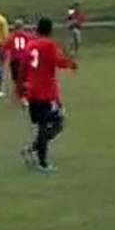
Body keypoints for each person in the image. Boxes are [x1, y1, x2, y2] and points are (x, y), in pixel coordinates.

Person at [19, 18, 77, 173]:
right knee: (54, 123)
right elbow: (58, 61)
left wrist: (22, 93)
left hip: (32, 92)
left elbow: (23, 69)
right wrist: (71, 63)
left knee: (46, 124)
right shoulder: (49, 45)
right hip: (44, 93)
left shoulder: (30, 45)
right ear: (50, 30)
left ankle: (33, 149)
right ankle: (41, 161)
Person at [2, 19, 33, 103]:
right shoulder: (28, 37)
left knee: (16, 79)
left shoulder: (11, 37)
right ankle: (24, 96)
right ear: (22, 27)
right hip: (25, 60)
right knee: (25, 78)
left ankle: (20, 96)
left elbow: (4, 48)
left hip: (15, 61)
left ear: (14, 27)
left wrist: (2, 58)